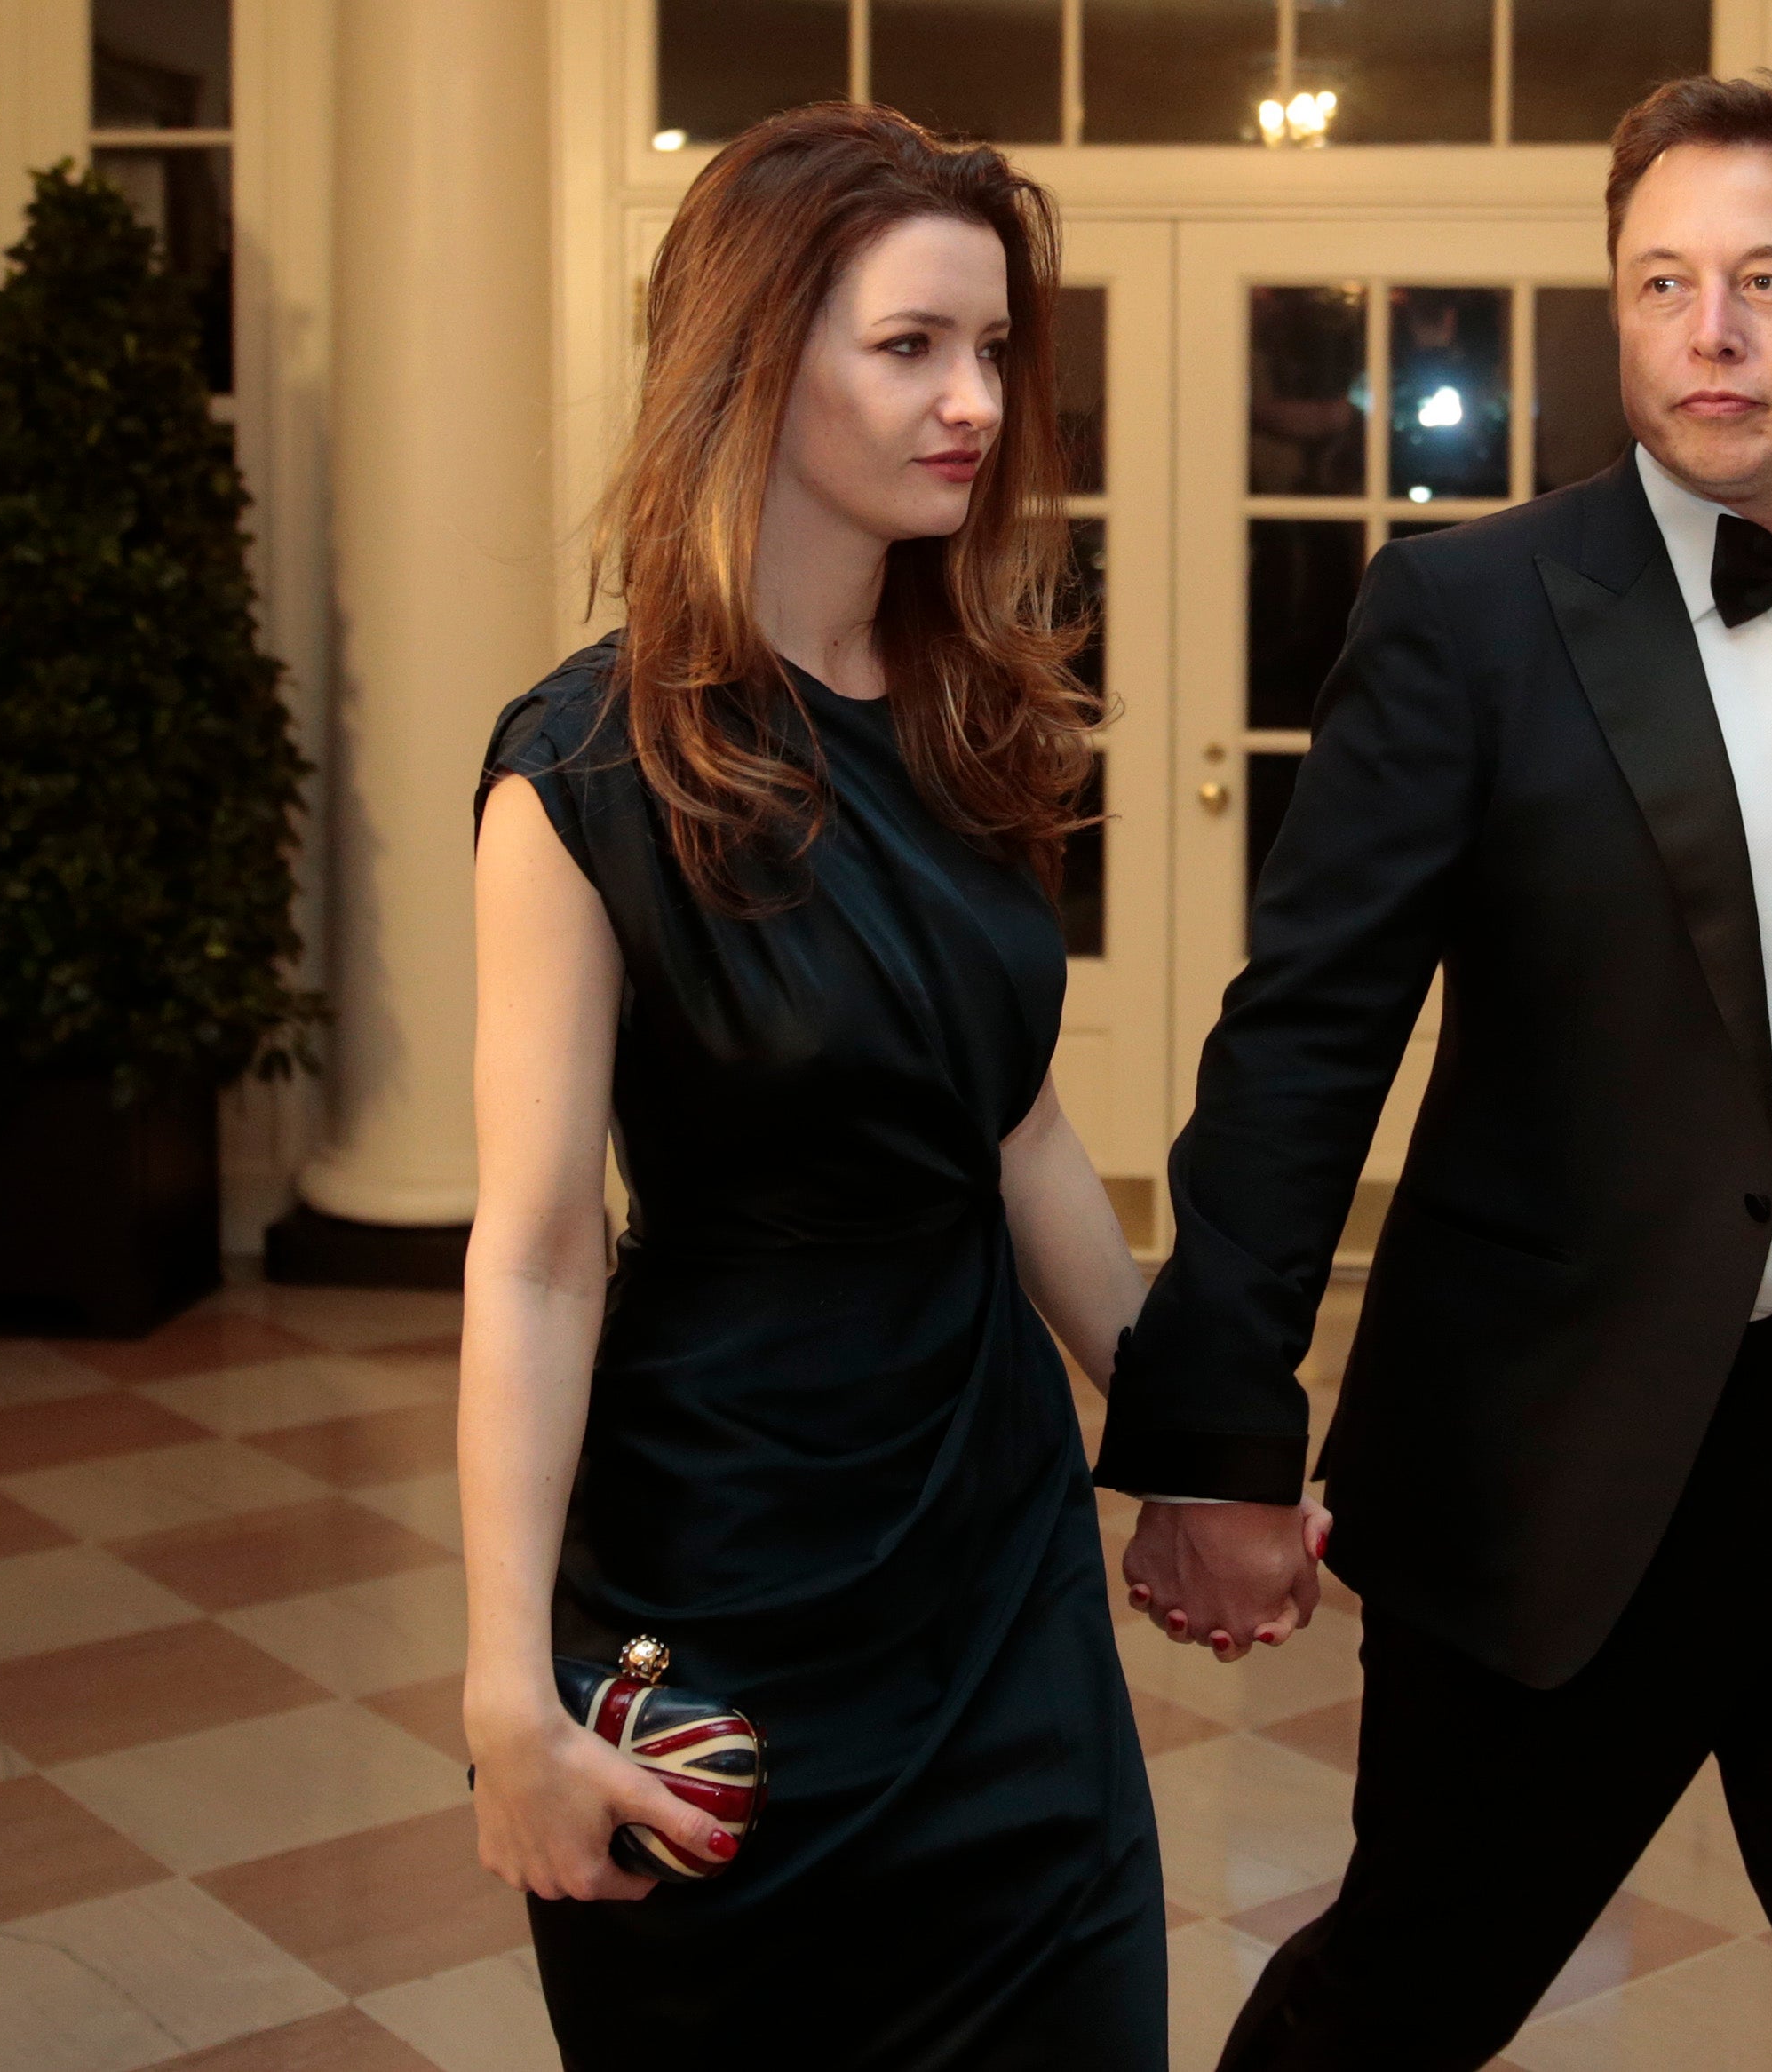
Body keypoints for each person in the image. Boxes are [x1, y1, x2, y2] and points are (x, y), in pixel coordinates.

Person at [1098, 75, 1772, 2069]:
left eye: (1766, 282)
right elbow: (1304, 1042)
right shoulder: (1471, 614)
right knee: (1413, 1988)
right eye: (1661, 283)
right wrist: (1217, 1440)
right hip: (1568, 1459)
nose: (1709, 332)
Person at [459, 105, 1199, 2068]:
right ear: (752, 356)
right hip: (730, 1576)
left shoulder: (975, 712)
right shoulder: (588, 776)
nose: (974, 400)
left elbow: (1015, 1123)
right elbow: (536, 1257)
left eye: (992, 352)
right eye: (912, 347)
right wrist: (502, 1704)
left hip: (996, 1566)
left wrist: (1199, 1438)